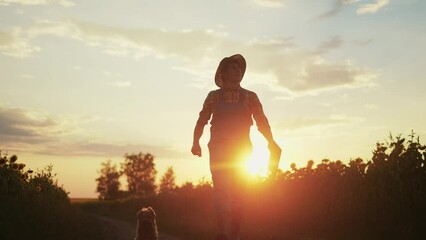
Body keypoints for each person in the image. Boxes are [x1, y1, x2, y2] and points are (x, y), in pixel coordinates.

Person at [191, 54, 281, 240]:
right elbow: (202, 120)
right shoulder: (213, 96)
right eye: (233, 67)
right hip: (219, 149)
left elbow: (261, 121)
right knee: (222, 191)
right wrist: (195, 141)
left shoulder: (250, 96)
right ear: (223, 72)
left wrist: (271, 141)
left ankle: (234, 235)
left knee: (240, 194)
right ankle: (222, 232)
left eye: (240, 68)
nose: (238, 70)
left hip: (242, 151)